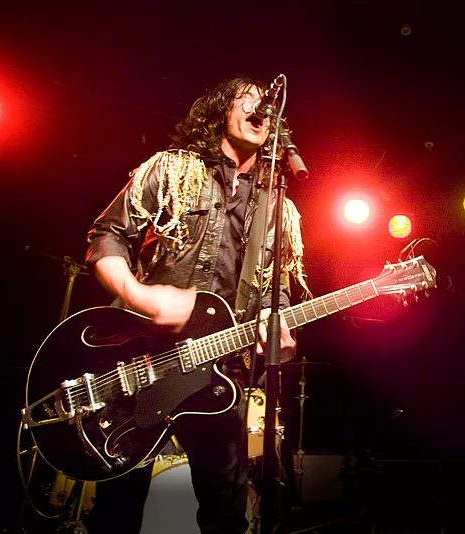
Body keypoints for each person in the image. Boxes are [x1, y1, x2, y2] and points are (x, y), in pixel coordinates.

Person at [83, 76, 310, 534]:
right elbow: (106, 236)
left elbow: (275, 285)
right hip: (143, 359)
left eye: (267, 106)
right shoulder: (172, 170)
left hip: (216, 373)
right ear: (221, 112)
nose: (259, 109)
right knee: (116, 512)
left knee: (226, 514)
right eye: (247, 100)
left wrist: (276, 321)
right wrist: (141, 295)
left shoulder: (277, 206)